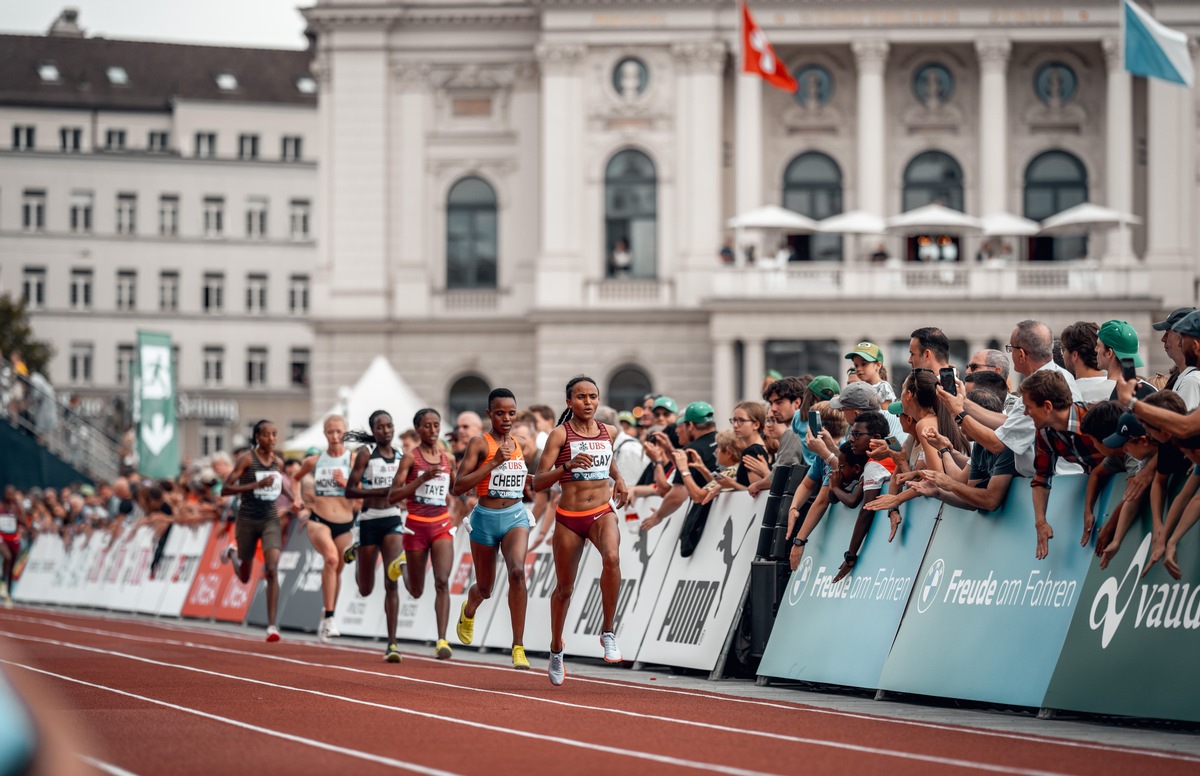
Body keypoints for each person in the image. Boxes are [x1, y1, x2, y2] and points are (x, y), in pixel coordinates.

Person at [534, 376, 630, 686]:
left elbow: (608, 461)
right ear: (569, 402)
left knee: (612, 558)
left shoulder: (609, 431)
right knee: (564, 589)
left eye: (592, 396)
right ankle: (556, 647)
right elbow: (537, 481)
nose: (587, 402)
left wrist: (622, 481)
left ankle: (608, 632)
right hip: (569, 517)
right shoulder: (559, 435)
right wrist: (566, 467)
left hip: (601, 511)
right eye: (581, 397)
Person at [450, 390, 533, 669]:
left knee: (518, 572)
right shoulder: (479, 444)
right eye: (500, 413)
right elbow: (459, 486)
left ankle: (518, 646)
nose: (507, 418)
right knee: (485, 588)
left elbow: (532, 475)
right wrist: (494, 463)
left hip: (515, 516)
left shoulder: (522, 443)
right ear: (489, 414)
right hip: (485, 518)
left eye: (511, 413)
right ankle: (469, 609)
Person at [385, 408, 459, 660]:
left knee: (441, 580)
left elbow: (456, 488)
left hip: (441, 525)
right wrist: (420, 480)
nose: (432, 430)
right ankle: (402, 565)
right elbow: (393, 496)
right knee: (415, 591)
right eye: (427, 426)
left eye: (436, 425)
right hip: (415, 526)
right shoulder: (409, 458)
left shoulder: (448, 458)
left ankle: (442, 640)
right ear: (418, 429)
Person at [220, 419, 294, 642]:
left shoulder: (277, 462)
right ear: (257, 438)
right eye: (266, 435)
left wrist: (295, 500)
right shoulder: (247, 459)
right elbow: (225, 489)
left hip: (270, 519)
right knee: (244, 577)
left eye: (274, 434)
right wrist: (254, 486)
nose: (271, 439)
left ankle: (272, 626)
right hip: (248, 520)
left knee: (272, 568)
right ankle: (233, 553)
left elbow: (280, 485)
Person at [343, 410, 408, 663]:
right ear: (373, 430)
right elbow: (349, 490)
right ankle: (358, 551)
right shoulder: (365, 455)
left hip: (392, 519)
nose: (386, 430)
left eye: (389, 426)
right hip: (369, 521)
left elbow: (404, 488)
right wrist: (384, 491)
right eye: (380, 427)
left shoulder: (402, 456)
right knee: (366, 588)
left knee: (392, 580)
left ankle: (392, 643)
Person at [1021, 371, 1107, 560]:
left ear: (1047, 407)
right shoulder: (1044, 432)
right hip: (1100, 488)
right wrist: (1040, 522)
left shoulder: (1094, 420)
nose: (1025, 413)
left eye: (1028, 407)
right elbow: (1041, 479)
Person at [291, 416, 356, 642]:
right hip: (319, 519)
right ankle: (329, 618)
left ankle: (328, 613)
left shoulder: (354, 460)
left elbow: (365, 491)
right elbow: (295, 478)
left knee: (336, 570)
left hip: (346, 522)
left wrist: (346, 484)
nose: (335, 436)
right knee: (330, 559)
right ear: (324, 433)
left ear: (346, 433)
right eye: (330, 432)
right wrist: (297, 498)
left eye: (339, 432)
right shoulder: (315, 461)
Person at [1096, 320, 1157, 403]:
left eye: (1098, 346)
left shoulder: (1090, 393)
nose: (1095, 349)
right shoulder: (1151, 391)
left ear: (1109, 353)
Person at [1059, 322, 1114, 402]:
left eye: (1064, 350)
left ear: (1075, 355)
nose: (1063, 355)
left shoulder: (1068, 394)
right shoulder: (1121, 388)